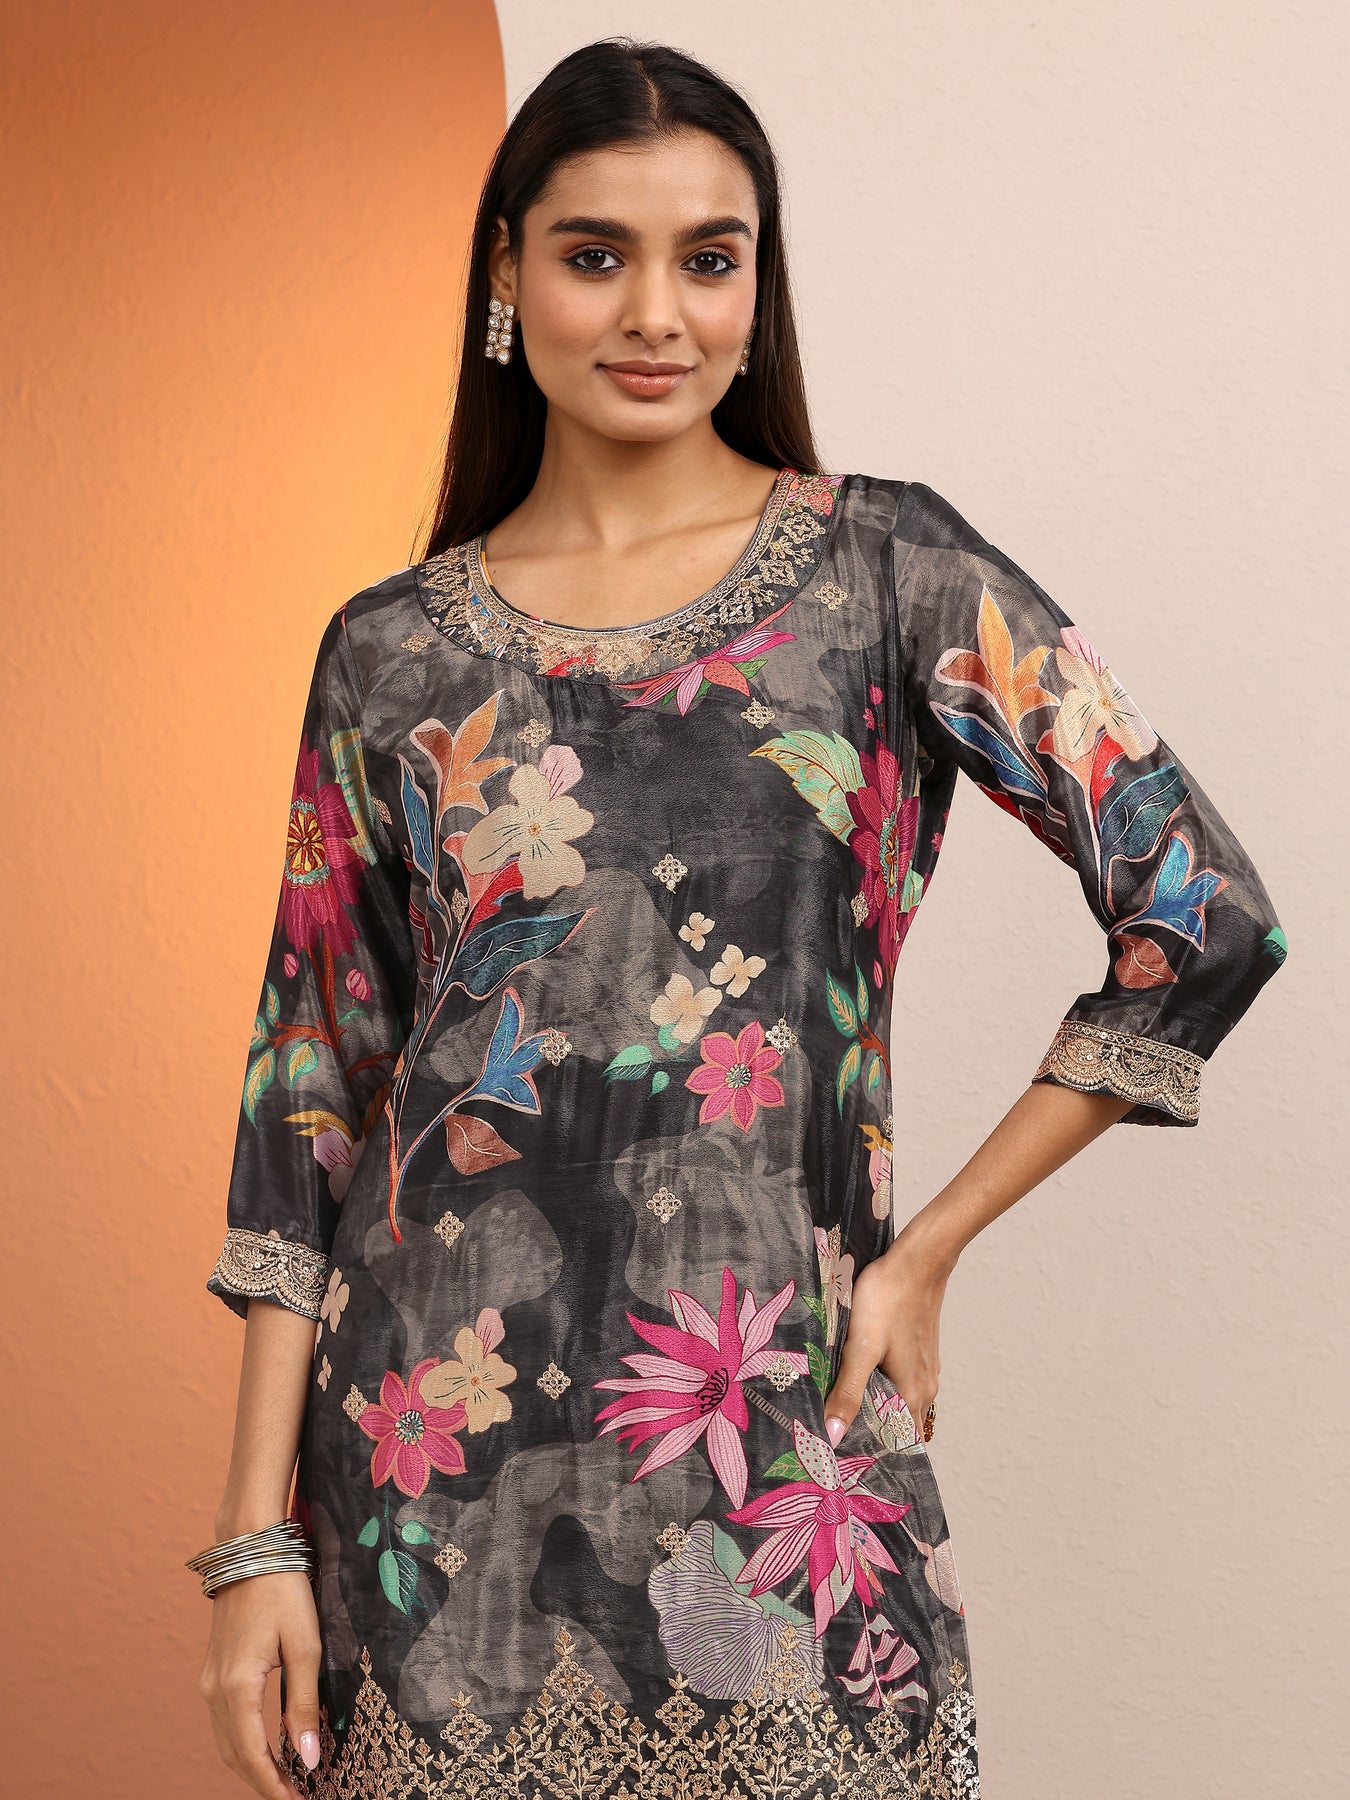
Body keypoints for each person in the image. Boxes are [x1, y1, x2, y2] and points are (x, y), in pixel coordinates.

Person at [191, 36, 1288, 1800]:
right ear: (506, 275)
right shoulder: (388, 652)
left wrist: (924, 1252)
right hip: (425, 1484)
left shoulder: (885, 573)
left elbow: (1198, 910)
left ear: (756, 286)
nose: (657, 314)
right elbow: (310, 1094)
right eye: (594, 254)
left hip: (773, 1453)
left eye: (708, 258)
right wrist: (255, 1546)